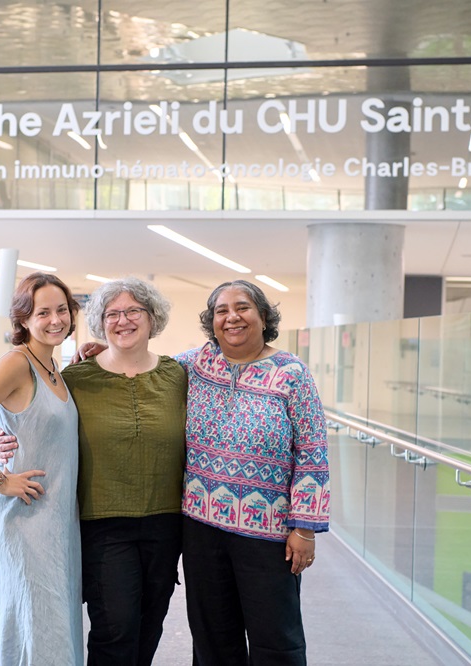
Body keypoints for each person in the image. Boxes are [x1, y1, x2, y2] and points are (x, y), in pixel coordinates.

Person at [0, 277, 186, 665]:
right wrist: (3, 443)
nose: (124, 320)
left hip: (166, 525)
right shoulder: (77, 378)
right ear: (100, 322)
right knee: (115, 629)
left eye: (134, 311)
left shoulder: (179, 375)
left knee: (151, 625)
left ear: (152, 319)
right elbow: (35, 415)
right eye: (113, 313)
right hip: (103, 525)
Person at [178, 279, 329, 666]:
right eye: (221, 311)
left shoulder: (291, 373)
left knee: (276, 638)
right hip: (201, 528)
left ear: (263, 316)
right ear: (211, 322)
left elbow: (312, 453)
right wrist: (95, 354)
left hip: (270, 534)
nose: (232, 317)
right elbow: (138, 374)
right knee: (212, 637)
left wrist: (305, 528)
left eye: (242, 307)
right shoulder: (192, 365)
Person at [0, 272, 83, 666]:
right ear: (23, 319)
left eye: (62, 310)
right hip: (23, 516)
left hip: (54, 517)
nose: (55, 319)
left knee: (47, 620)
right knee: (33, 619)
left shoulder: (52, 367)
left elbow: (33, 423)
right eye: (43, 312)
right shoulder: (17, 363)